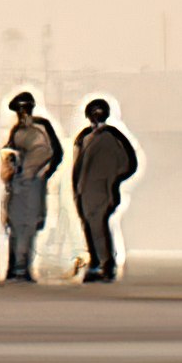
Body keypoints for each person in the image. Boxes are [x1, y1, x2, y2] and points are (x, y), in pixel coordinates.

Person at [66, 97, 139, 283]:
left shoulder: (110, 136)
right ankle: (97, 263)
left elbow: (129, 164)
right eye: (93, 113)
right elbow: (78, 164)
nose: (95, 117)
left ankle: (105, 265)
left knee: (98, 226)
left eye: (98, 113)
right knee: (89, 226)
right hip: (84, 190)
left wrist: (112, 180)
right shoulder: (84, 136)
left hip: (102, 190)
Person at [0, 91, 61, 282]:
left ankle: (22, 269)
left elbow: (55, 153)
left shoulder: (41, 126)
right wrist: (10, 165)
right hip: (17, 184)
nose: (22, 113)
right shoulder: (17, 130)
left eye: (24, 109)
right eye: (19, 110)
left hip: (32, 183)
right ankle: (14, 268)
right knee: (15, 224)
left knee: (28, 224)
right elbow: (9, 151)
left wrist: (43, 174)